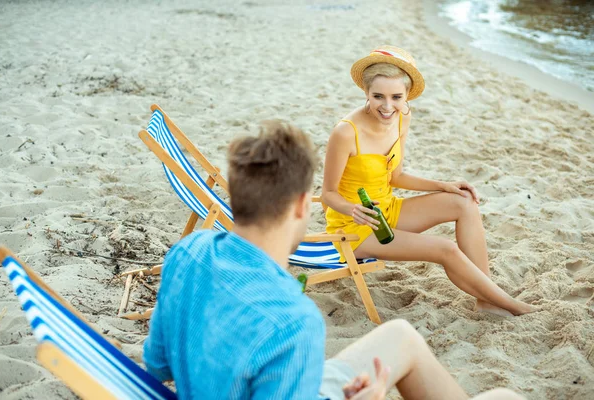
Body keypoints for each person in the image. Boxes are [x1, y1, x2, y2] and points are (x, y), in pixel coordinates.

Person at [143, 121, 524, 399]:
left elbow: (158, 365)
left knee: (400, 335)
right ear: (300, 207)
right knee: (506, 398)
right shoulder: (293, 320)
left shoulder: (187, 253)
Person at [323, 45, 536, 317]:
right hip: (356, 226)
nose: (387, 106)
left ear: (407, 95)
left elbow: (396, 177)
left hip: (388, 209)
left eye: (396, 97)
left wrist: (443, 185)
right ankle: (511, 305)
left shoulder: (402, 118)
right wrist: (352, 209)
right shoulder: (345, 132)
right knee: (445, 248)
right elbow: (328, 193)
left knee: (463, 201)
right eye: (378, 96)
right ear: (366, 93)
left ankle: (486, 301)